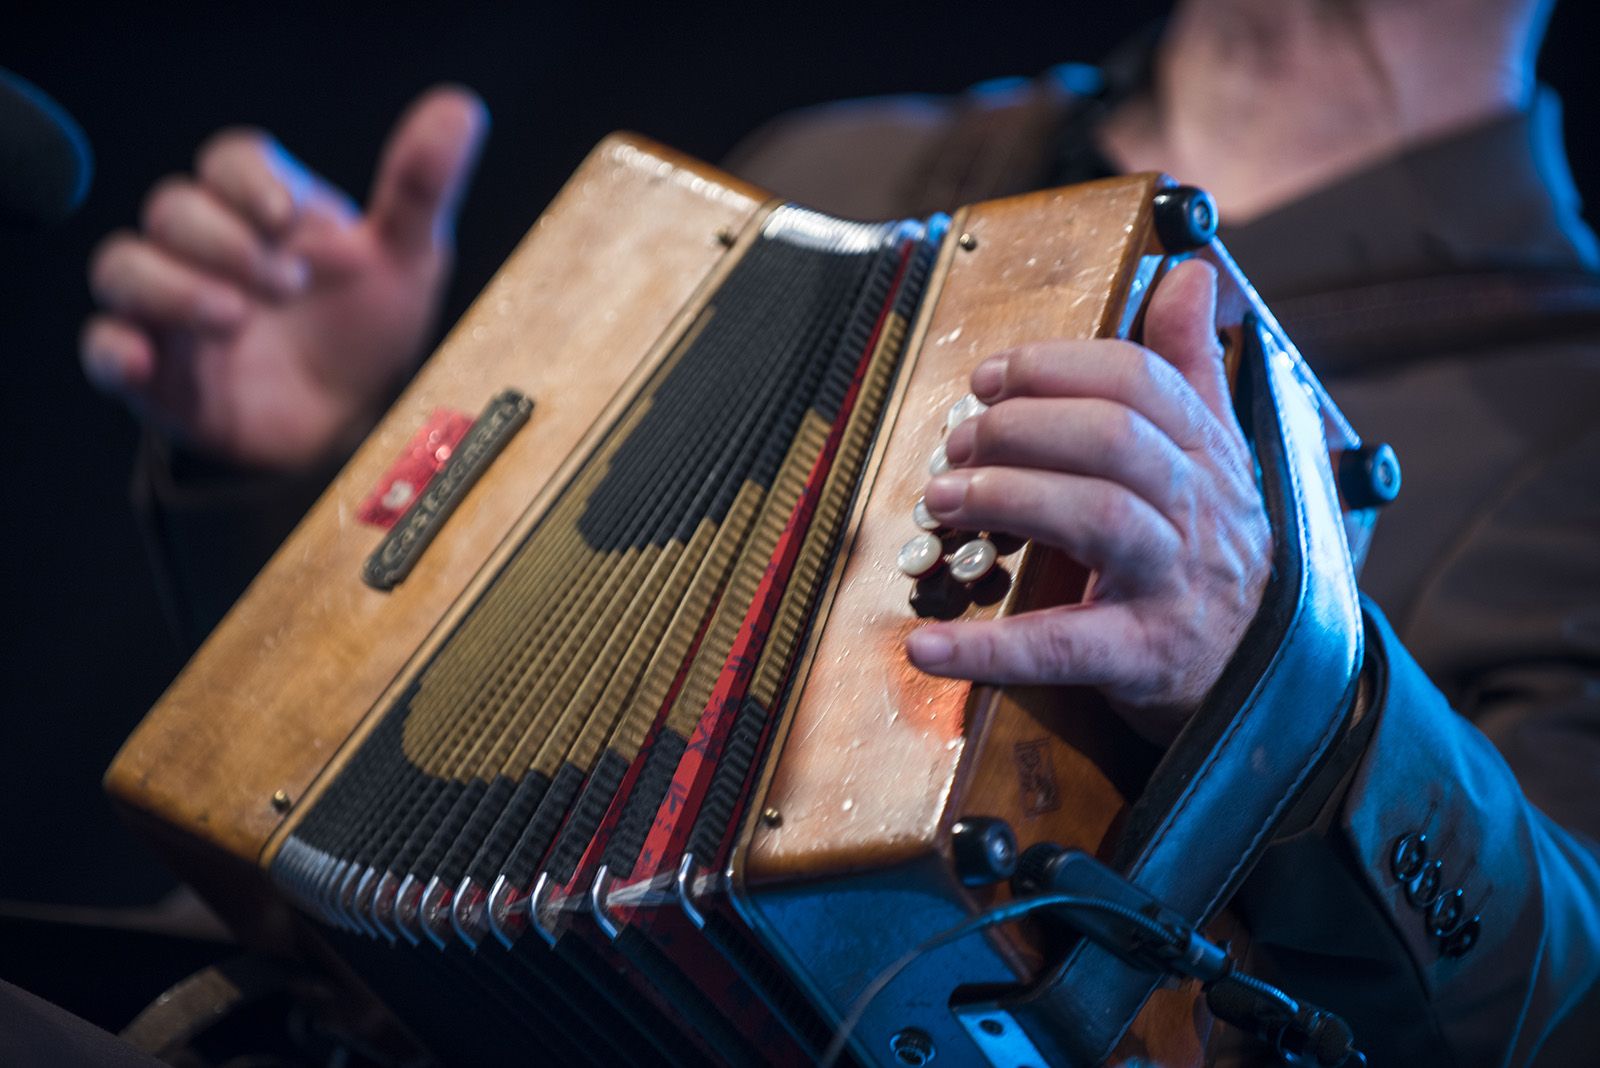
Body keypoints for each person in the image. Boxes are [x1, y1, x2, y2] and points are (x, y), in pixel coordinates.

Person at [76, 0, 1600, 1062]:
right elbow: (460, 773)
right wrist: (341, 457)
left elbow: (1563, 1014)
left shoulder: (1573, 404)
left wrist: (1286, 670)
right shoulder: (834, 174)